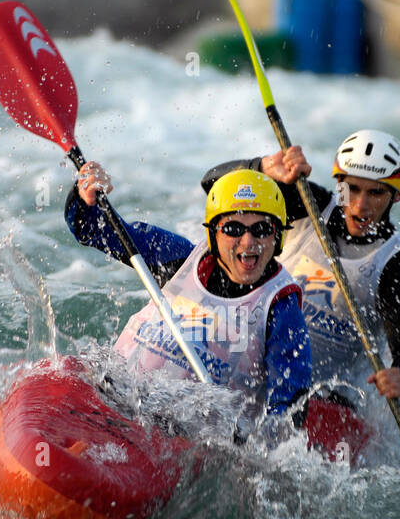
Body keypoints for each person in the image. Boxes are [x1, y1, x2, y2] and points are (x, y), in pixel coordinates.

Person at [65, 162, 311, 431]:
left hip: (181, 436)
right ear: (213, 233)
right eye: (233, 229)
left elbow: (288, 412)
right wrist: (84, 197)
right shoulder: (179, 258)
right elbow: (92, 230)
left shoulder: (281, 307)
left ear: (279, 238)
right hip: (112, 391)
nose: (248, 241)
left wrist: (249, 444)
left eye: (261, 229)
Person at [202, 129, 400, 405]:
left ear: (397, 195)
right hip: (256, 369)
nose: (360, 205)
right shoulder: (306, 203)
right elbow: (212, 185)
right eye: (352, 188)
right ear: (338, 180)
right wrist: (262, 167)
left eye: (376, 192)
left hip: (328, 400)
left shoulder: (396, 267)